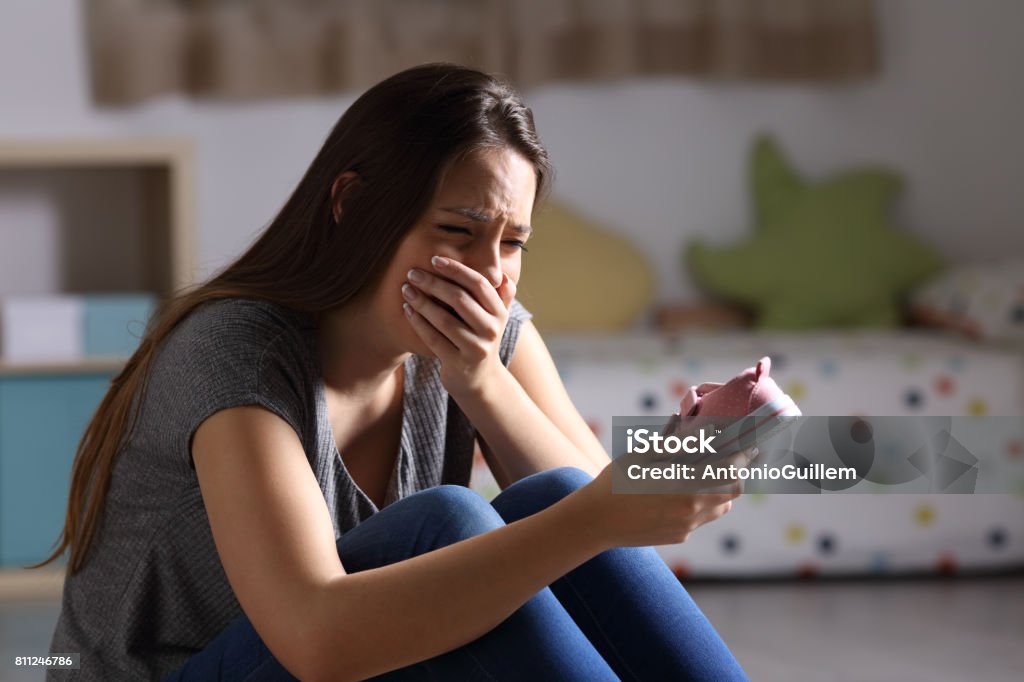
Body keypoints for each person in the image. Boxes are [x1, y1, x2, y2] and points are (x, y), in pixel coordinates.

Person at [39, 63, 748, 681]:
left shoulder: (492, 330)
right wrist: (602, 511)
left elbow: (604, 525)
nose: (490, 274)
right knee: (445, 522)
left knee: (557, 497)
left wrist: (485, 386)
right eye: (457, 232)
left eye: (513, 242)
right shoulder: (236, 353)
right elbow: (316, 639)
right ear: (350, 205)